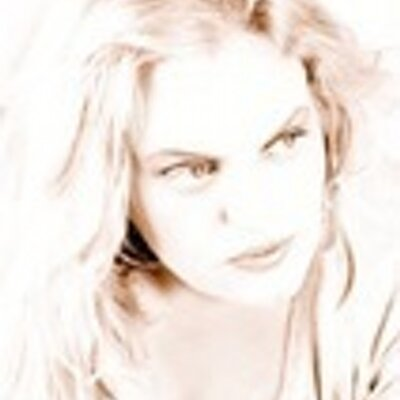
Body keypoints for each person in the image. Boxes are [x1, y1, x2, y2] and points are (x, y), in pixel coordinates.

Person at [0, 0, 399, 399]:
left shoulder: (380, 281)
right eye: (192, 170)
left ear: (326, 115)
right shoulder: (35, 337)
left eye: (285, 141)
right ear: (109, 183)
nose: (259, 213)